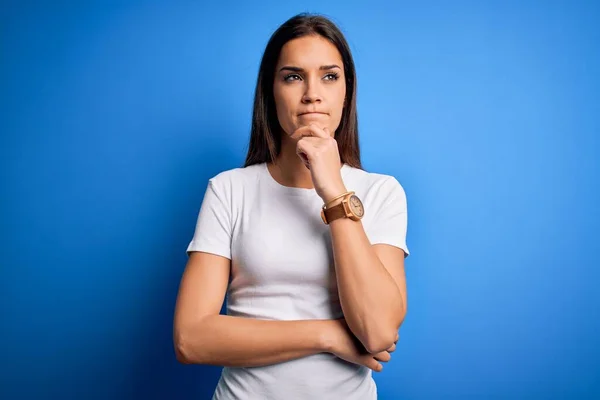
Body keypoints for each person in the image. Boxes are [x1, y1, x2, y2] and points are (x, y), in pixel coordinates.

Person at [173, 12, 410, 400]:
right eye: (293, 76)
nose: (312, 93)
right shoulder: (229, 190)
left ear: (346, 92)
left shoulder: (382, 192)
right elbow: (190, 338)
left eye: (329, 76)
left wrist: (333, 190)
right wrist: (328, 334)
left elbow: (378, 331)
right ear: (271, 91)